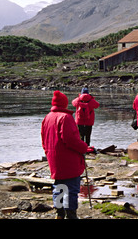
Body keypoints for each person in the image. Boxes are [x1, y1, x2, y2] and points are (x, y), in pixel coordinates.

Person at [41, 90, 93, 219]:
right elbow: (70, 140)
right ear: (64, 104)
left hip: (54, 157)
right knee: (71, 189)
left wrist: (47, 152)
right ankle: (71, 215)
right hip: (68, 159)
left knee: (59, 186)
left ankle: (59, 213)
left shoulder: (47, 117)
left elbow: (43, 139)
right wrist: (85, 148)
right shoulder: (65, 117)